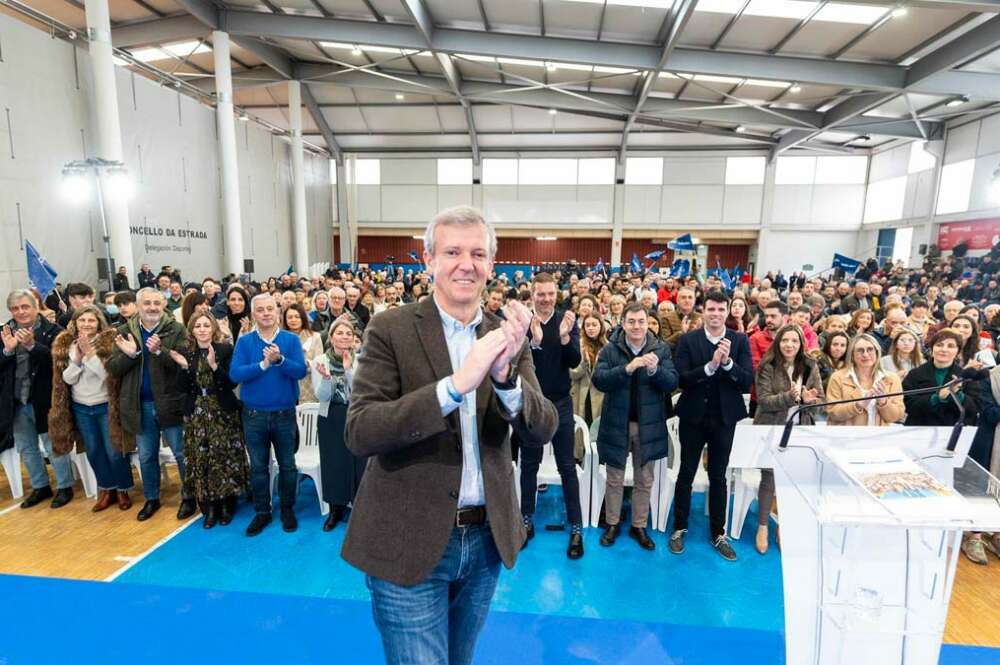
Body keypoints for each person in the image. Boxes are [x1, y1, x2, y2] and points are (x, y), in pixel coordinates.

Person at [342, 206, 557, 665]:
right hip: (408, 537)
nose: (466, 263)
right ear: (428, 260)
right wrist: (455, 387)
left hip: (484, 542)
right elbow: (361, 430)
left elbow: (542, 428)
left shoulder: (506, 336)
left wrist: (505, 383)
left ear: (492, 264)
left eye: (478, 253)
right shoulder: (390, 329)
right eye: (453, 251)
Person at [669, 290, 753, 561]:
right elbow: (681, 378)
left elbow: (745, 380)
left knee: (718, 475)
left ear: (727, 311)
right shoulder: (688, 340)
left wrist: (727, 363)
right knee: (687, 472)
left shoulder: (739, 340)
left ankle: (719, 532)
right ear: (702, 311)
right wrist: (709, 366)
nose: (715, 314)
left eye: (720, 309)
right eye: (711, 309)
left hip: (724, 419)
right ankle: (679, 527)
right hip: (693, 417)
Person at [592, 304, 678, 551]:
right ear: (623, 322)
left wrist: (655, 370)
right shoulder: (611, 348)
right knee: (614, 477)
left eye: (641, 321)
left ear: (648, 323)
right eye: (631, 322)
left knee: (644, 479)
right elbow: (599, 380)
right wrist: (626, 369)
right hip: (617, 424)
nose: (637, 326)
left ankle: (639, 525)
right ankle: (612, 523)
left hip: (647, 427)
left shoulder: (660, 349)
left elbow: (672, 382)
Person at [107, 287, 196, 522]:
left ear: (163, 305)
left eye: (157, 303)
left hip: (171, 402)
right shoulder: (125, 332)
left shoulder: (176, 329)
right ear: (138, 306)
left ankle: (189, 497)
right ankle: (151, 498)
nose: (153, 308)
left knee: (181, 452)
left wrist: (159, 351)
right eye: (147, 303)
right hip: (140, 405)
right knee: (147, 455)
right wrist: (130, 355)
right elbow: (113, 369)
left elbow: (184, 364)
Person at [230, 293, 309, 537]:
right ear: (253, 314)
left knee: (288, 466)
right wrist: (262, 365)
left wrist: (280, 360)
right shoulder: (244, 343)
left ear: (277, 312)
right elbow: (235, 375)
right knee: (258, 467)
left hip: (284, 414)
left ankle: (287, 509)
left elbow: (300, 372)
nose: (265, 313)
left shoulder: (290, 340)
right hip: (254, 416)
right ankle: (262, 511)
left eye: (269, 309)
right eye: (260, 310)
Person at [520, 272, 585, 559]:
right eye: (540, 294)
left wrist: (563, 338)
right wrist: (533, 343)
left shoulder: (567, 321)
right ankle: (525, 520)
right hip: (532, 404)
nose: (545, 299)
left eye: (550, 294)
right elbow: (515, 363)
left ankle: (576, 528)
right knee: (529, 465)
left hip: (560, 403)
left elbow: (574, 361)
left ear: (555, 294)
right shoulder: (523, 322)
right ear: (532, 294)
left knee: (567, 467)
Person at [50, 305, 134, 512]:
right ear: (75, 323)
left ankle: (123, 489)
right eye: (82, 320)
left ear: (98, 323)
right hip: (82, 408)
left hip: (105, 405)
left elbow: (108, 376)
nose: (86, 324)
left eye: (91, 320)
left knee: (114, 451)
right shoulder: (67, 345)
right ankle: (107, 489)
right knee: (94, 451)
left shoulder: (109, 342)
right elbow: (67, 379)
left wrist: (89, 354)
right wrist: (77, 360)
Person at [168, 313, 248, 529]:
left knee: (224, 456)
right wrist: (184, 367)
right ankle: (209, 505)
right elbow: (182, 388)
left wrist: (214, 366)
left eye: (206, 325)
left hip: (222, 411)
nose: (202, 329)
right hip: (197, 413)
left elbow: (231, 383)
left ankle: (227, 503)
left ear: (213, 329)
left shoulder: (224, 350)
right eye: (198, 326)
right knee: (202, 457)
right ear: (192, 330)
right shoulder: (185, 352)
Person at [751, 325, 824, 554]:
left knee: (792, 480)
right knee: (769, 478)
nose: (789, 345)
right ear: (778, 343)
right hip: (771, 427)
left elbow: (820, 398)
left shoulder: (810, 365)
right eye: (785, 340)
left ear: (801, 343)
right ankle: (762, 525)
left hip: (800, 429)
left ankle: (784, 525)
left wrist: (809, 400)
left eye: (794, 341)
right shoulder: (767, 366)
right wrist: (791, 397)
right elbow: (764, 400)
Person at [1, 289, 75, 509]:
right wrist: (7, 351)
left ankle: (64, 486)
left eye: (25, 307)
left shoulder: (54, 330)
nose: (21, 312)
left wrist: (33, 345)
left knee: (53, 444)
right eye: (15, 308)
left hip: (46, 399)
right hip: (15, 401)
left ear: (36, 307)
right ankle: (40, 486)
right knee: (26, 447)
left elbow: (60, 361)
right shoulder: (4, 332)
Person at [312, 317, 364, 532]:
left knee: (359, 461)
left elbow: (360, 392)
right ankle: (336, 509)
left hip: (356, 415)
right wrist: (326, 379)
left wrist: (349, 370)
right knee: (333, 462)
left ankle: (359, 506)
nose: (344, 337)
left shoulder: (361, 360)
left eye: (348, 334)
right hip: (331, 416)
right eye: (339, 333)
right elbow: (321, 396)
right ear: (331, 337)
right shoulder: (320, 361)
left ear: (353, 339)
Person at [826, 334, 905, 426]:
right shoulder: (838, 377)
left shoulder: (891, 378)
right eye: (860, 350)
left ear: (877, 352)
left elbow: (897, 416)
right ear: (852, 355)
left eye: (870, 349)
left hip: (879, 438)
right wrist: (857, 405)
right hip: (847, 437)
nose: (865, 354)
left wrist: (884, 402)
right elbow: (833, 412)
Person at [569, 313, 606, 459]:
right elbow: (572, 373)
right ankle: (580, 460)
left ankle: (597, 462)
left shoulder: (608, 347)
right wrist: (583, 362)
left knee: (597, 432)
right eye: (587, 325)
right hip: (581, 395)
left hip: (601, 396)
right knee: (581, 432)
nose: (591, 328)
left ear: (601, 326)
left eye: (594, 325)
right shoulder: (577, 345)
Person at [282, 303, 324, 403]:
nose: (293, 320)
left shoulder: (315, 337)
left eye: (297, 317)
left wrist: (304, 362)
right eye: (290, 317)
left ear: (303, 318)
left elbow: (319, 363)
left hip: (308, 388)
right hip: (285, 387)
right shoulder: (280, 338)